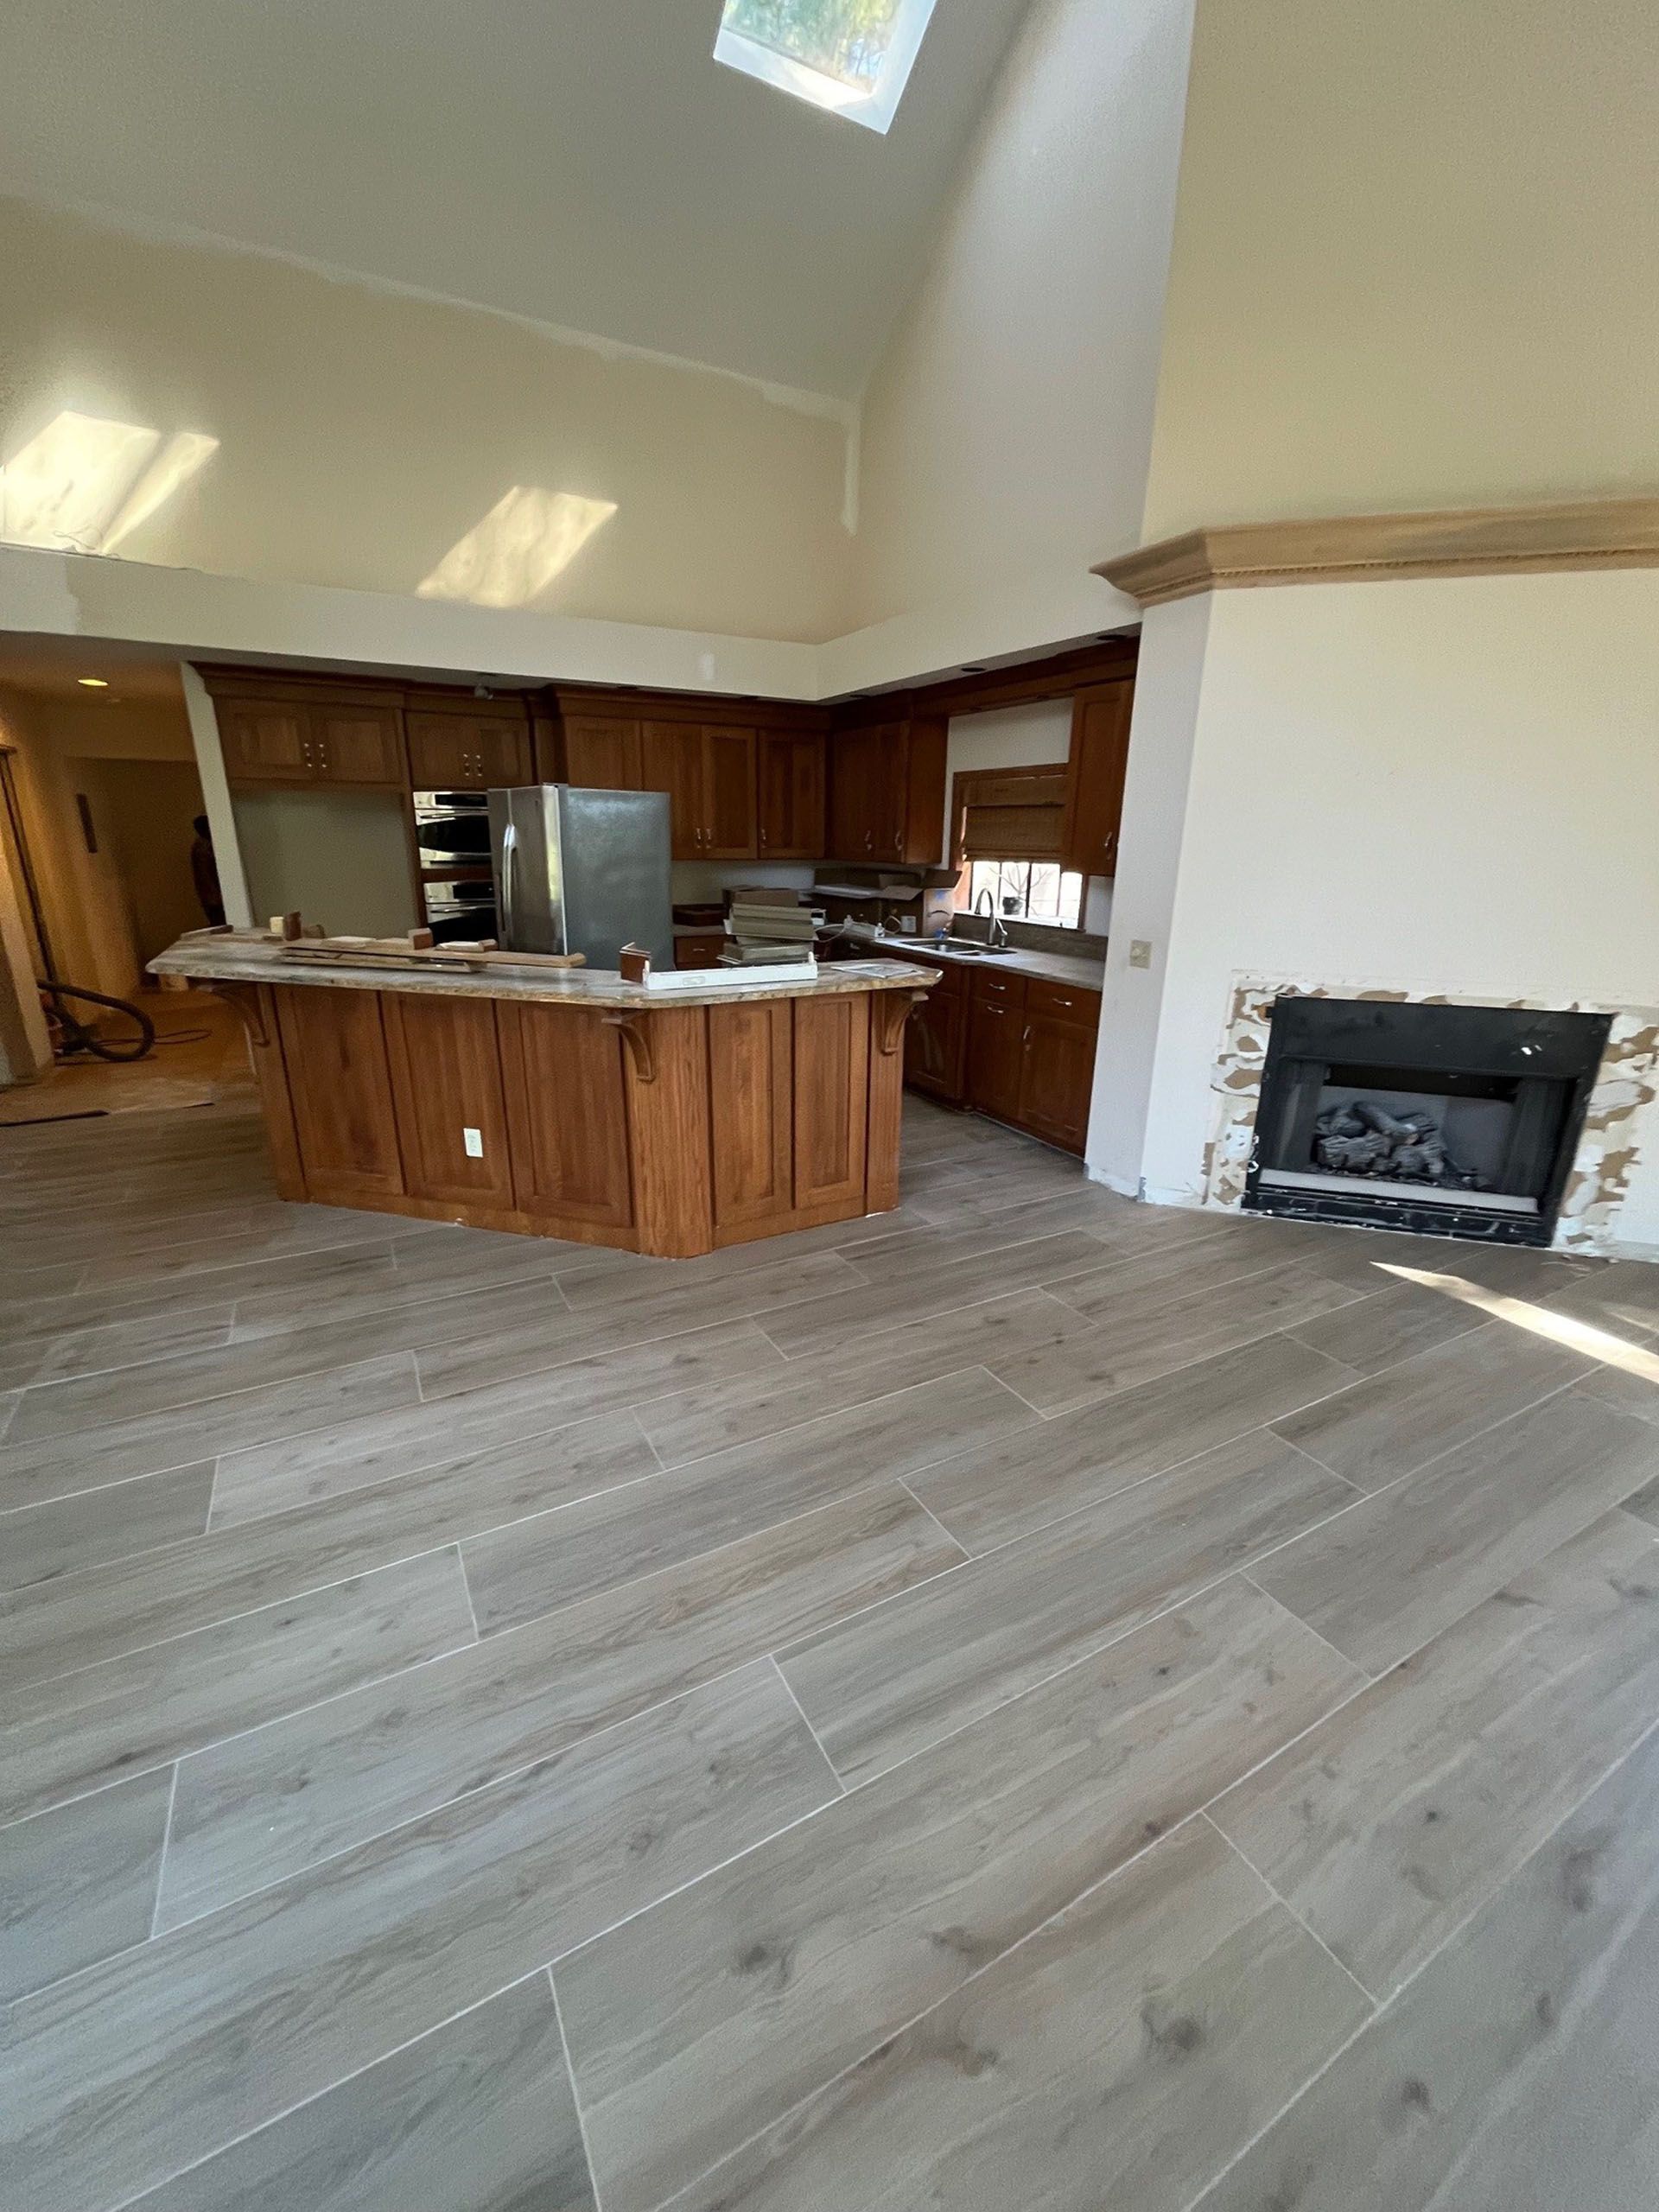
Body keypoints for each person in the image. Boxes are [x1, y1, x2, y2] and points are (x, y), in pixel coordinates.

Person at [190, 814, 225, 926]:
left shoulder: (200, 846)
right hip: (214, 898)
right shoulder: (204, 848)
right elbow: (206, 875)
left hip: (210, 898)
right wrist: (217, 896)